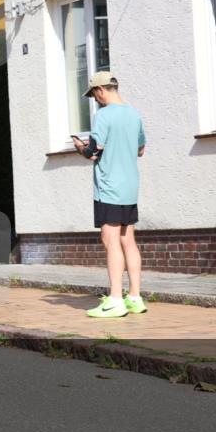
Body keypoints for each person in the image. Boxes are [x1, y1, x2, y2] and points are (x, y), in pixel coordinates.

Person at [73, 72, 147, 319]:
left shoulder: (103, 115)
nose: (95, 100)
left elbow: (94, 152)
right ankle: (135, 297)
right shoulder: (133, 113)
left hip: (109, 187)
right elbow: (141, 149)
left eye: (94, 95)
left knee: (110, 240)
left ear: (101, 90)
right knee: (128, 240)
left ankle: (115, 299)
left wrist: (80, 147)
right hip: (129, 186)